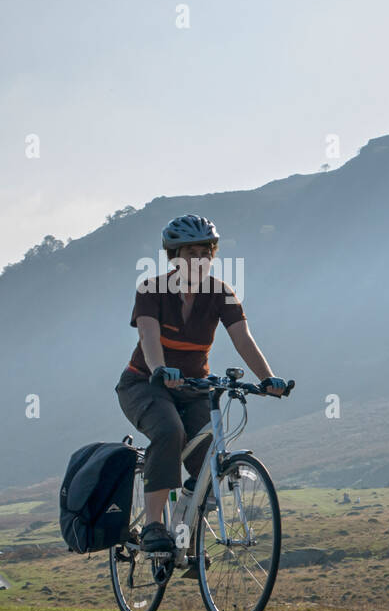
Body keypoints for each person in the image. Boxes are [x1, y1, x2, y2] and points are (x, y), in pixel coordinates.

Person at [115, 214, 287, 556]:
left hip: (194, 387)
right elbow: (149, 336)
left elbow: (243, 340)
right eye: (192, 252)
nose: (201, 259)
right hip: (144, 384)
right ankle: (152, 526)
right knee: (169, 432)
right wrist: (161, 369)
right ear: (174, 256)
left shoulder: (220, 293)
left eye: (207, 251)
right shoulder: (152, 290)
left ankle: (185, 540)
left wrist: (266, 379)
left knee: (208, 456)